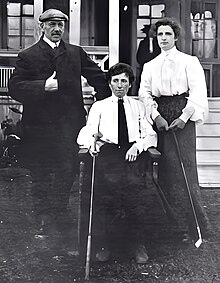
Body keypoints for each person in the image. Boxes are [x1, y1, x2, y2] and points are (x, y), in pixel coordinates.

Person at [8, 9, 111, 234]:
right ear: (41, 27)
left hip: (69, 125)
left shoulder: (75, 53)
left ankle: (59, 211)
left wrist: (103, 105)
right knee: (42, 172)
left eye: (61, 25)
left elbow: (99, 78)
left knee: (68, 169)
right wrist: (43, 87)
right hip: (39, 127)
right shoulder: (28, 55)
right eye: (52, 24)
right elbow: (14, 87)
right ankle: (44, 217)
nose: (57, 29)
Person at [138, 17, 211, 242]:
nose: (163, 39)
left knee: (185, 168)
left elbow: (198, 91)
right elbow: (144, 93)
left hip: (183, 112)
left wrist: (184, 117)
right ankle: (171, 227)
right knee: (167, 169)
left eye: (168, 34)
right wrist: (156, 116)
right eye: (160, 35)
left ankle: (196, 226)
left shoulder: (189, 61)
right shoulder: (150, 65)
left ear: (176, 37)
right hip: (161, 114)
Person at [77, 63, 157, 263]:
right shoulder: (100, 106)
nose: (120, 85)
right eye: (116, 81)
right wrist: (92, 144)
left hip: (132, 155)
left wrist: (137, 146)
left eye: (124, 81)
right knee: (106, 198)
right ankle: (105, 244)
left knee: (136, 198)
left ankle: (137, 244)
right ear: (110, 83)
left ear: (130, 84)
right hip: (108, 154)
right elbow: (86, 132)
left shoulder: (137, 106)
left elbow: (149, 133)